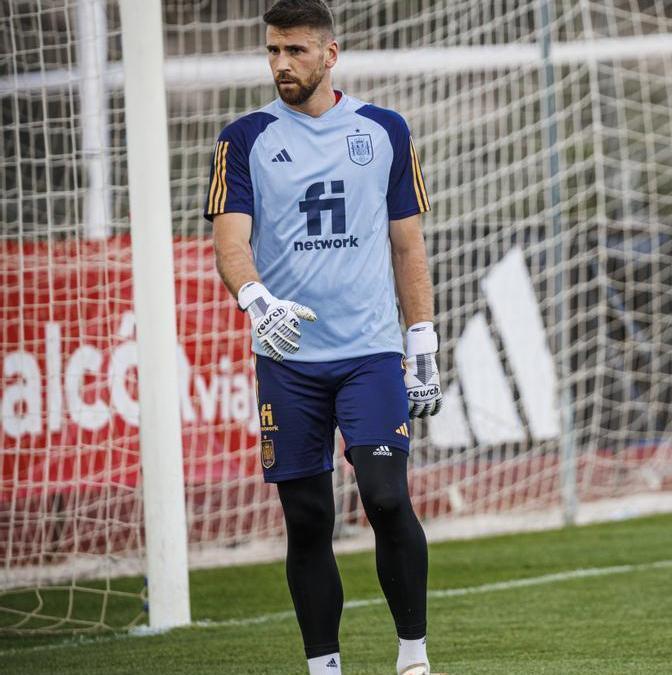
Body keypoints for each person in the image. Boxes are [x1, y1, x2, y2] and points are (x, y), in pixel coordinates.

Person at [205, 1, 442, 673]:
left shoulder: (384, 130)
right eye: (273, 51)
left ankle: (414, 657)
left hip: (370, 353)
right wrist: (257, 301)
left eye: (296, 51)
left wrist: (420, 340)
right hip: (288, 359)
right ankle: (324, 666)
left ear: (330, 55)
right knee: (307, 518)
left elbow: (408, 248)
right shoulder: (243, 138)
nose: (281, 63)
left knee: (387, 496)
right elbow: (231, 244)